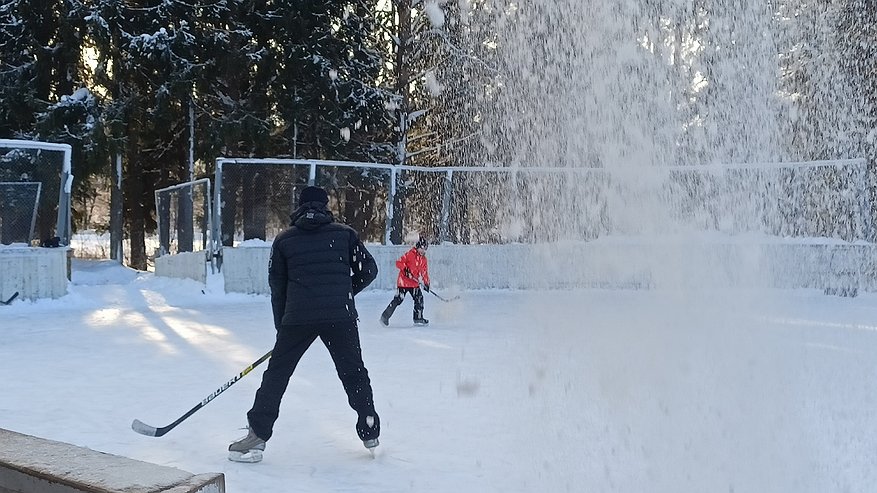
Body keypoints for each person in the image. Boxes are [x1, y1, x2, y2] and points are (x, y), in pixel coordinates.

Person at [228, 185, 381, 463]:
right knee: (353, 372)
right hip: (340, 315)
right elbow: (369, 270)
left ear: (299, 206)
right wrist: (342, 292)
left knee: (277, 375)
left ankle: (257, 436)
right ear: (325, 205)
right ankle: (369, 428)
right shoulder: (345, 234)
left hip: (298, 317)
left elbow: (278, 287)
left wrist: (282, 327)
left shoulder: (285, 240)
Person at [380, 236, 431, 327]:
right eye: (422, 248)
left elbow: (424, 272)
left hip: (414, 284)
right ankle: (384, 317)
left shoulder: (424, 259)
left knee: (419, 299)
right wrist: (405, 270)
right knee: (398, 299)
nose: (423, 251)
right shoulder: (410, 254)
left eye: (425, 249)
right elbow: (398, 263)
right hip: (403, 282)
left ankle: (418, 318)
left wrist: (426, 283)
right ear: (418, 247)